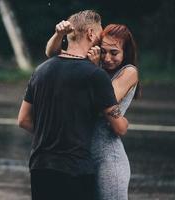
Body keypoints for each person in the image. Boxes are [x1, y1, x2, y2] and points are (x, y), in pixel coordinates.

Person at [18, 10, 129, 200]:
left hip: (40, 167)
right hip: (75, 169)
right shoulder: (95, 75)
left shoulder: (40, 70)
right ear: (91, 34)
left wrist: (52, 134)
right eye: (100, 33)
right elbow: (119, 127)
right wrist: (124, 121)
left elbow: (23, 120)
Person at [45, 20, 140, 200]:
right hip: (82, 157)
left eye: (114, 53)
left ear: (125, 53)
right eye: (103, 51)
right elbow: (52, 54)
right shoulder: (94, 67)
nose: (107, 58)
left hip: (108, 159)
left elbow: (106, 98)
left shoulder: (129, 71)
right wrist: (59, 35)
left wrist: (94, 68)